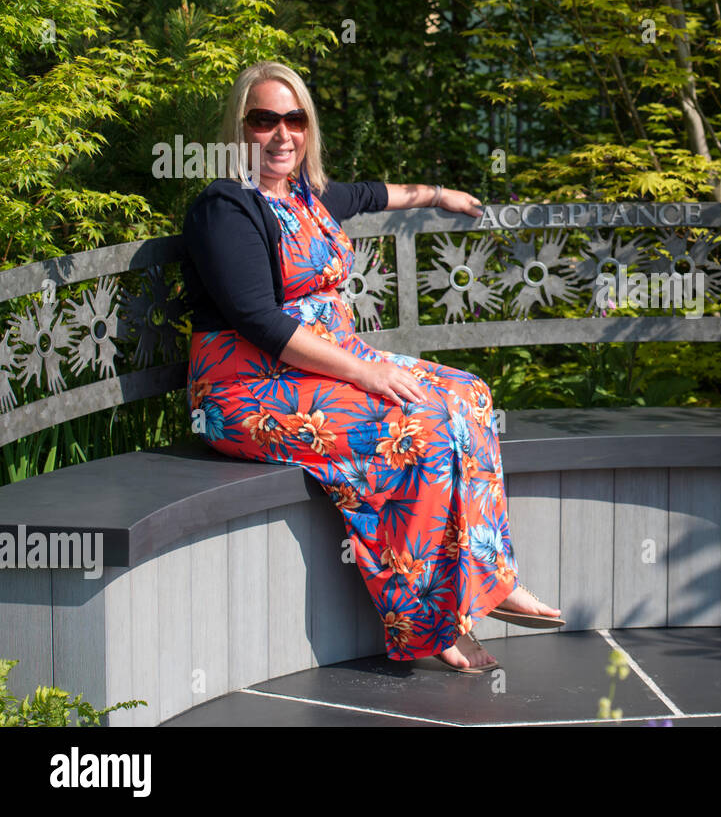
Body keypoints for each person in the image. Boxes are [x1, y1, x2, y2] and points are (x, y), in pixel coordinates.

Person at [181, 60, 562, 674]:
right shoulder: (224, 207)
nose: (281, 134)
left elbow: (380, 194)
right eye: (263, 120)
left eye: (294, 119)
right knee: (424, 428)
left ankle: (489, 576)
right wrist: (365, 374)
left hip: (324, 369)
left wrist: (440, 195)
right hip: (246, 389)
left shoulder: (307, 195)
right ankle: (429, 621)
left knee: (469, 395)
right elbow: (259, 320)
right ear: (239, 129)